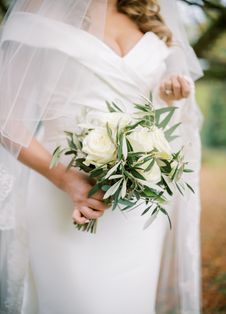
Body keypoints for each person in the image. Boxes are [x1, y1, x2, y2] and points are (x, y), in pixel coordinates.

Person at [0, 1, 203, 313]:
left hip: (136, 211)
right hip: (63, 196)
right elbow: (5, 118)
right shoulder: (40, 7)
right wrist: (64, 178)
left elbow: (155, 113)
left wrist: (167, 96)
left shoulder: (147, 13)